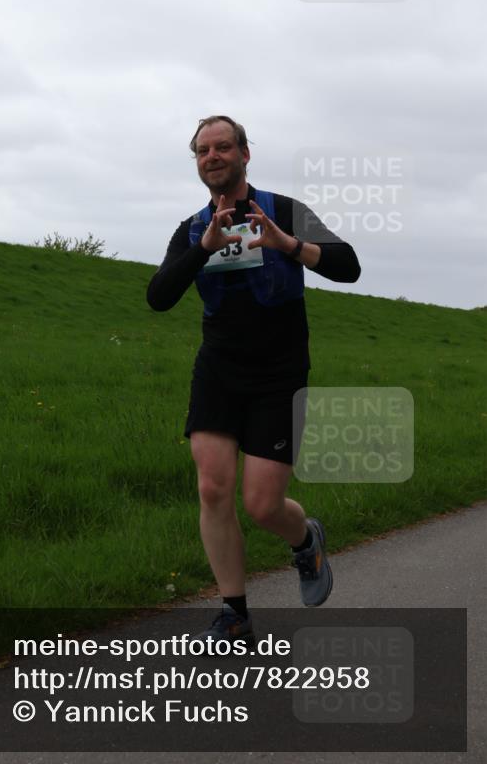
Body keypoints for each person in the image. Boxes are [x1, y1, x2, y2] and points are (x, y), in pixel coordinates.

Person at [146, 116, 361, 647]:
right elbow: (159, 296)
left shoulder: (284, 210)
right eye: (202, 150)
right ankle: (234, 612)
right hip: (219, 368)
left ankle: (305, 540)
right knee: (212, 486)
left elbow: (348, 266)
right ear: (197, 161)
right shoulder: (195, 227)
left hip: (279, 373)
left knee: (263, 505)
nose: (212, 156)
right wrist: (204, 247)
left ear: (245, 153)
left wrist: (290, 244)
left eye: (223, 147)